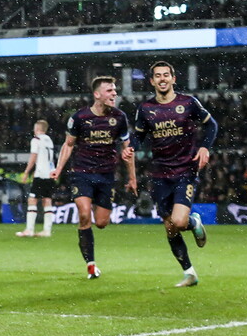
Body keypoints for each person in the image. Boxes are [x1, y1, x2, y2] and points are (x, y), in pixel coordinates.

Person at [130, 61, 217, 287]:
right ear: (152, 81)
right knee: (169, 227)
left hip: (185, 169)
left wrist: (205, 147)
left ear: (173, 78)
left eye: (166, 75)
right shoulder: (145, 108)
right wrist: (131, 147)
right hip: (160, 174)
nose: (162, 79)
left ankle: (192, 221)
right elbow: (138, 136)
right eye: (158, 76)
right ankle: (190, 273)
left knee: (179, 221)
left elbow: (212, 125)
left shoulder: (188, 103)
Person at [51, 77, 137, 279]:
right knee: (84, 214)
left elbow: (128, 149)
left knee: (101, 222)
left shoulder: (120, 117)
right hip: (82, 173)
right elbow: (69, 145)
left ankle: (90, 258)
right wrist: (58, 168)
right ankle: (91, 265)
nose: (114, 94)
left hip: (107, 175)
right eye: (109, 90)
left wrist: (132, 178)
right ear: (97, 94)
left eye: (115, 90)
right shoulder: (79, 117)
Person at [18, 120, 56, 238]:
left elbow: (33, 156)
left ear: (38, 129)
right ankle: (47, 230)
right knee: (47, 200)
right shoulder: (48, 139)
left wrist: (26, 172)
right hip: (50, 173)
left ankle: (29, 230)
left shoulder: (36, 139)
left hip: (41, 174)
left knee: (32, 200)